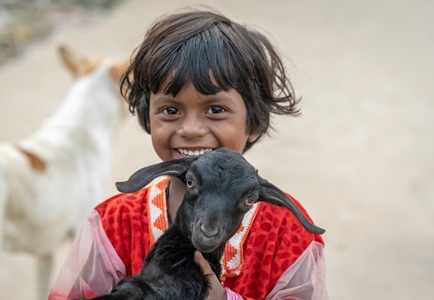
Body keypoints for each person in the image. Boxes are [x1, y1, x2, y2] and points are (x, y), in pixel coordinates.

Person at [48, 7, 328, 300]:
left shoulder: (287, 232)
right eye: (171, 110)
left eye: (215, 110)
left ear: (254, 123)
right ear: (148, 118)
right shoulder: (114, 223)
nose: (191, 129)